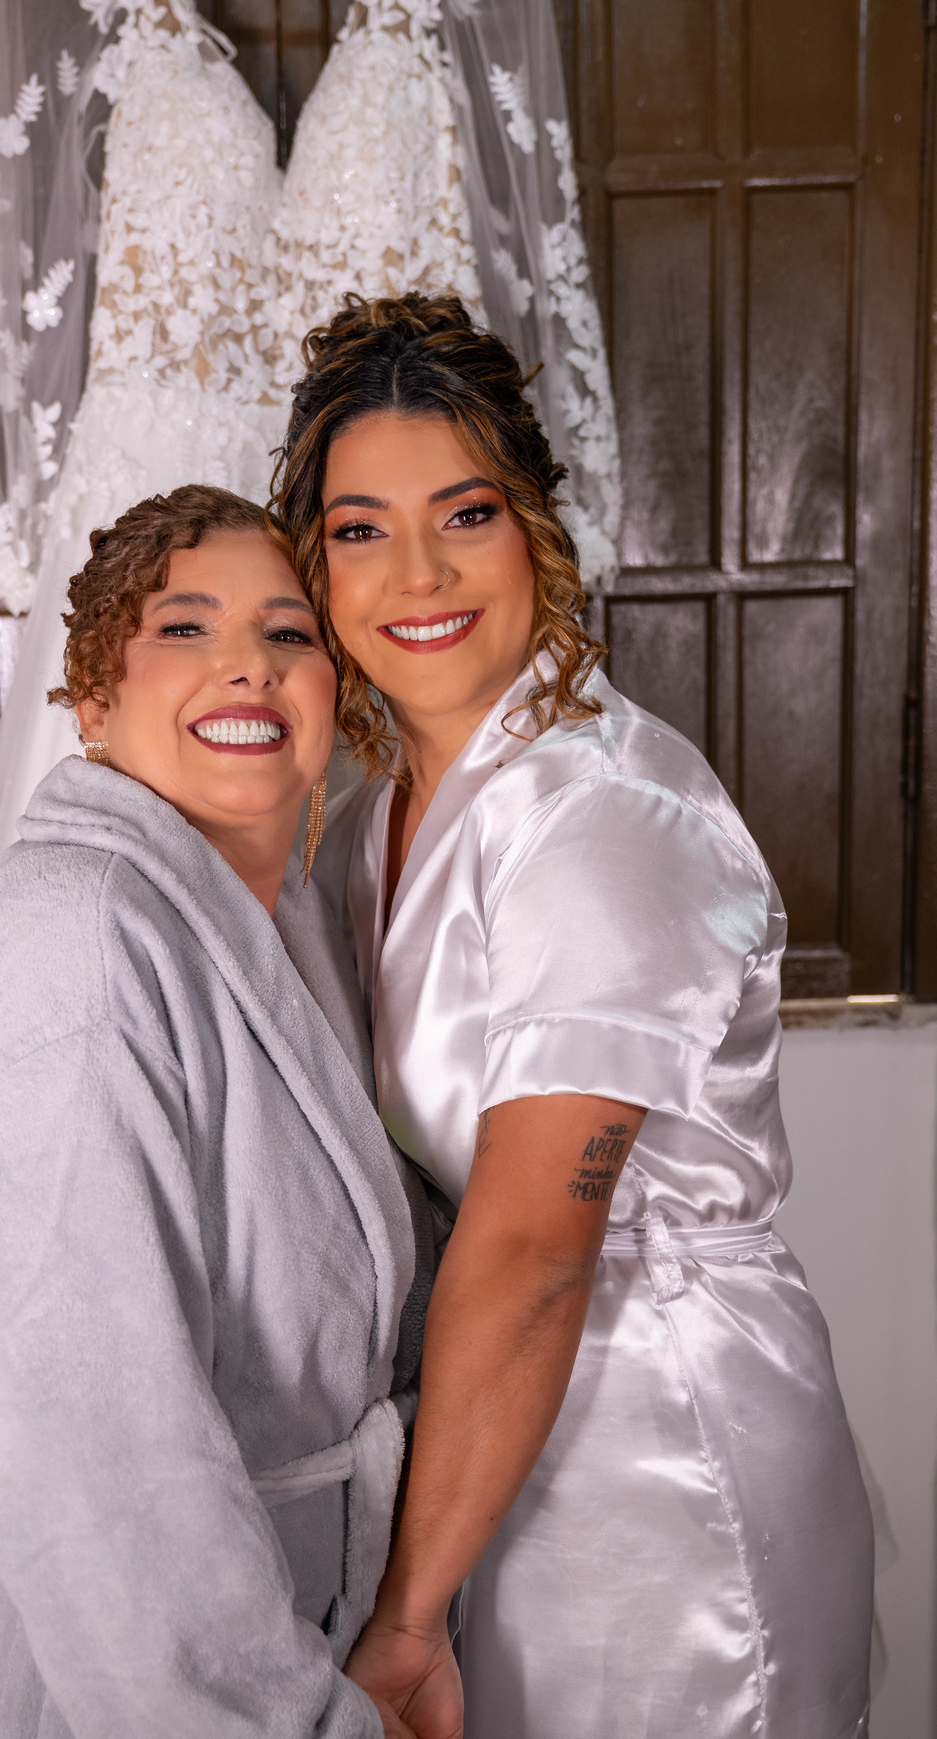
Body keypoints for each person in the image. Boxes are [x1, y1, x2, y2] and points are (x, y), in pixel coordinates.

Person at [275, 294, 875, 1739]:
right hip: (491, 1441)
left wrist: (404, 1616)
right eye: (360, 529)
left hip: (657, 1450)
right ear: (314, 562)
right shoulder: (371, 819)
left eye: (465, 513)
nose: (418, 572)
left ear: (535, 524)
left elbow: (539, 1247)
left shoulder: (602, 808)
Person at [0, 486, 431, 1739]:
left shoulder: (280, 927)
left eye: (289, 634)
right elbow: (86, 1440)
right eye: (185, 627)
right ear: (90, 698)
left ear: (333, 690)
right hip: (28, 1661)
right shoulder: (79, 954)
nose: (249, 662)